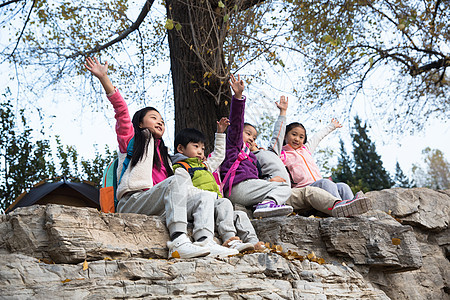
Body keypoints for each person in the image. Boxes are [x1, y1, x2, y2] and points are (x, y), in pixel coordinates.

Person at [85, 57, 237, 259]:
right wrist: (104, 78)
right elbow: (121, 111)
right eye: (153, 118)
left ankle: (205, 241)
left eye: (162, 120)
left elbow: (210, 160)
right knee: (177, 180)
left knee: (205, 196)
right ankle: (178, 241)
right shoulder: (131, 141)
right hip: (134, 201)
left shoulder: (166, 156)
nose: (159, 122)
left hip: (157, 203)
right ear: (140, 124)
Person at [246, 96, 371, 217]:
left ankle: (356, 211)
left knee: (343, 186)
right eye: (294, 134)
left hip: (319, 184)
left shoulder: (306, 150)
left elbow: (317, 137)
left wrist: (331, 126)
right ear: (285, 136)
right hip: (305, 188)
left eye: (301, 137)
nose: (297, 139)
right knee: (326, 183)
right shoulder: (282, 154)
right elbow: (272, 154)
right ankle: (338, 209)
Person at [172, 124, 265, 251]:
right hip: (199, 207)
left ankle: (254, 243)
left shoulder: (205, 166)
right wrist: (213, 196)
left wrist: (220, 134)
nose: (200, 151)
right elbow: (185, 191)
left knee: (239, 215)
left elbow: (219, 156)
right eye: (196, 146)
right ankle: (229, 238)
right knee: (224, 202)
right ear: (181, 148)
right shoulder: (181, 168)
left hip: (215, 207)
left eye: (203, 148)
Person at [219, 74, 293, 218]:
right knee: (285, 188)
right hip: (236, 187)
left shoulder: (252, 158)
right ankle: (267, 203)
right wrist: (238, 97)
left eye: (254, 137)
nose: (251, 139)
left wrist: (268, 182)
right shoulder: (234, 145)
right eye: (248, 134)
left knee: (284, 187)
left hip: (248, 188)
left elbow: (255, 178)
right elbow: (236, 122)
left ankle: (267, 204)